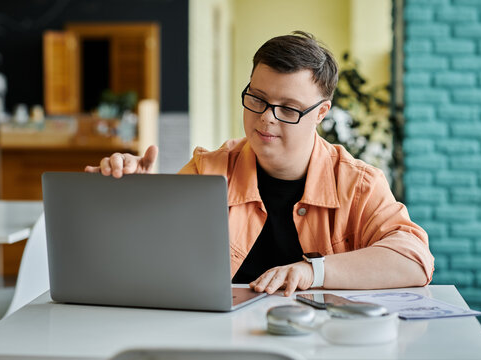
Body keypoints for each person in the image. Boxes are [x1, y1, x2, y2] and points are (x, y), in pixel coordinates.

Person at [85, 31, 434, 297]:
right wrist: (136, 198)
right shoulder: (209, 170)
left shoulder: (358, 184)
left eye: (288, 108)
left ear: (321, 114)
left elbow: (414, 259)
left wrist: (313, 272)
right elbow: (148, 260)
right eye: (257, 99)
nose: (266, 119)